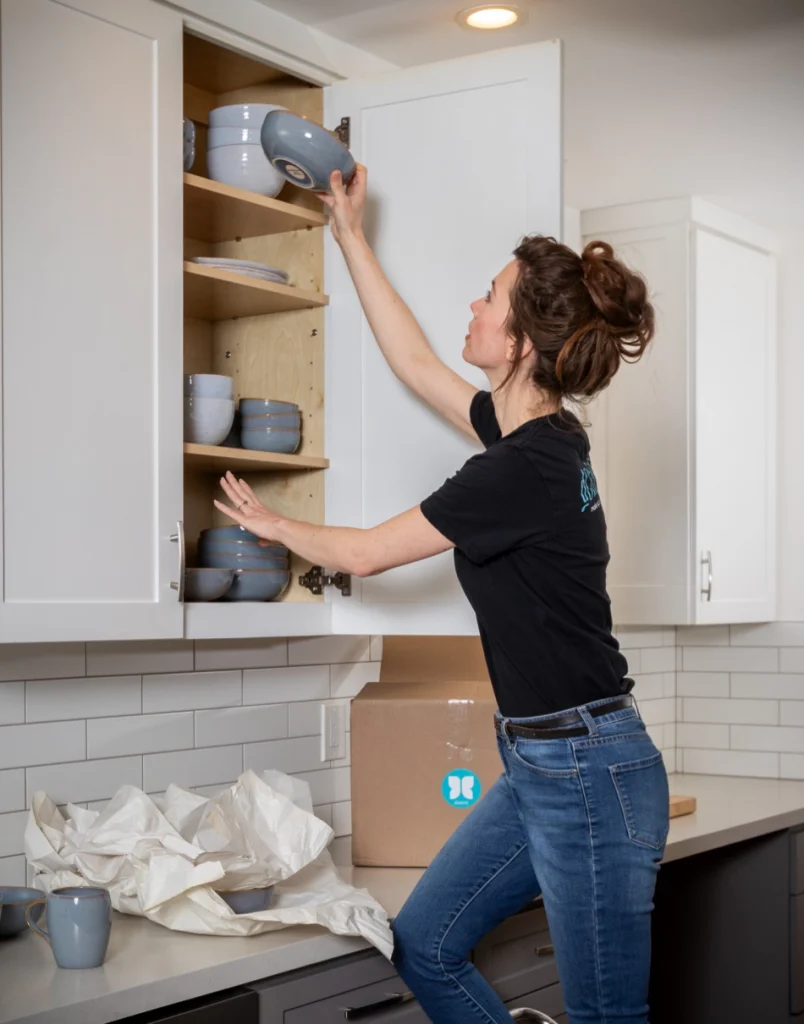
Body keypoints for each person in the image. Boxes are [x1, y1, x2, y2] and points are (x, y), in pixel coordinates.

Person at [214, 166, 669, 1024]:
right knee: (423, 942)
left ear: (522, 340)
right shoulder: (546, 437)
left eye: (488, 297)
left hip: (588, 770)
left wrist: (276, 528)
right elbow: (416, 363)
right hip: (545, 762)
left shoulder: (519, 470)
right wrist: (348, 233)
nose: (473, 306)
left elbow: (370, 554)